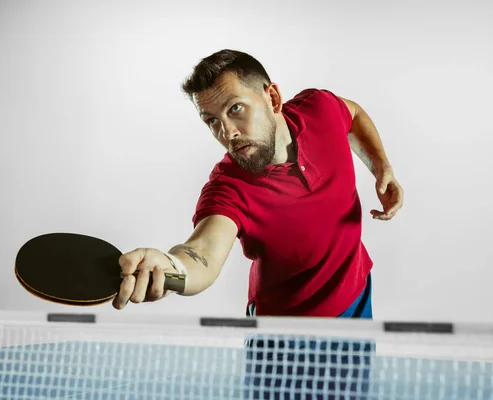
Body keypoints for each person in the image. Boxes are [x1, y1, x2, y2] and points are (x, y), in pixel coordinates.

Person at [112, 49, 403, 318]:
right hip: (287, 334)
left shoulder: (319, 109)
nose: (227, 132)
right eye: (211, 121)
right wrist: (173, 267)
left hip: (358, 295)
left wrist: (381, 168)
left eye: (235, 108)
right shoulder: (227, 188)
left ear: (273, 98)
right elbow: (203, 253)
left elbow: (352, 114)